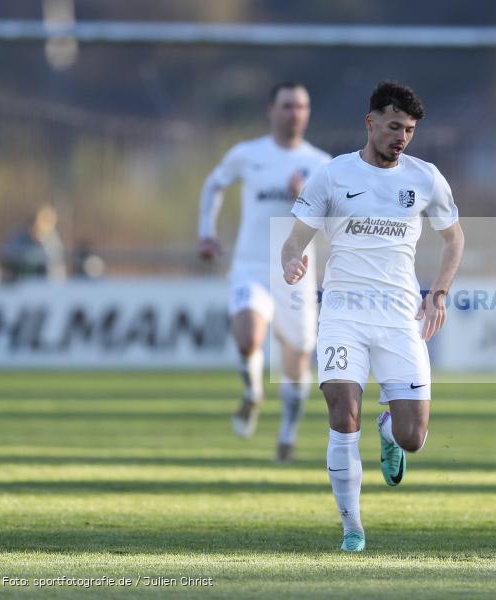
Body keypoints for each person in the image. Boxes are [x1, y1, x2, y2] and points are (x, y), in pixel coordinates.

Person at [281, 81, 464, 552]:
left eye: (409, 130)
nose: (401, 137)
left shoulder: (425, 178)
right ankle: (352, 528)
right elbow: (295, 238)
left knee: (413, 437)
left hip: (400, 317)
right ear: (370, 123)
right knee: (343, 412)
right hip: (342, 313)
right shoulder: (333, 175)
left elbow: (454, 239)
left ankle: (390, 432)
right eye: (393, 127)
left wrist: (438, 293)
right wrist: (291, 259)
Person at [198, 81, 330, 463]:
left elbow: (335, 221)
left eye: (302, 106)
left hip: (296, 273)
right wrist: (206, 233)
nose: (295, 113)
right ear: (271, 111)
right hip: (251, 266)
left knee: (296, 360)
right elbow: (213, 185)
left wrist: (305, 196)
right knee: (247, 338)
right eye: (288, 106)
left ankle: (287, 434)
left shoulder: (322, 164)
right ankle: (253, 392)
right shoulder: (247, 154)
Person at [0, 204, 66, 283]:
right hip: (20, 283)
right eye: (44, 220)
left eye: (50, 221)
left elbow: (56, 262)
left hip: (44, 284)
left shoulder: (53, 239)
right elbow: (8, 254)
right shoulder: (19, 236)